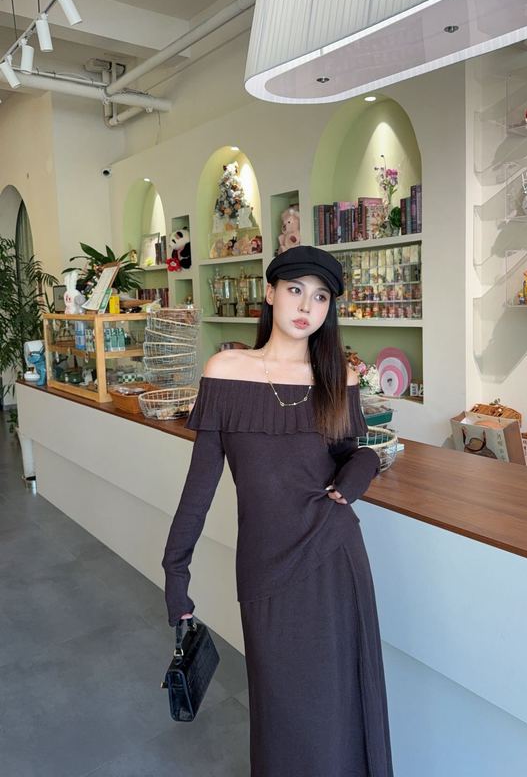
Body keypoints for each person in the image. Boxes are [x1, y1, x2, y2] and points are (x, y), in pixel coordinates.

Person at [162, 245, 395, 776]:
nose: (307, 306)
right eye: (295, 290)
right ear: (270, 294)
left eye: (321, 297)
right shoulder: (226, 370)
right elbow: (199, 488)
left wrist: (362, 468)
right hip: (266, 568)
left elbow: (354, 453)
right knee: (282, 716)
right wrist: (175, 574)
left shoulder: (339, 377)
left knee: (339, 711)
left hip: (333, 557)